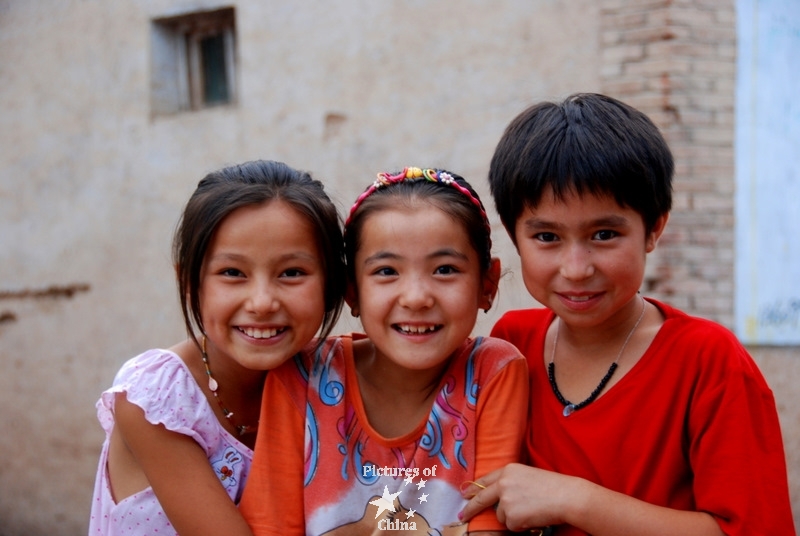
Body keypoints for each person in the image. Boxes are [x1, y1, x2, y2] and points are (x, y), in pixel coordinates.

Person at [458, 93, 796, 535]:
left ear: (654, 229)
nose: (576, 269)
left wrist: (576, 500)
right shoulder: (511, 343)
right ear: (513, 235)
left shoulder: (708, 361)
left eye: (604, 234)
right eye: (546, 236)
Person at [240, 167, 529, 535]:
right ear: (352, 292)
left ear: (487, 285)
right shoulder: (303, 375)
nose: (416, 298)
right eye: (387, 271)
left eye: (444, 269)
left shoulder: (492, 372)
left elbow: (488, 527)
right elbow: (271, 527)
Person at [88, 160, 346, 536]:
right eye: (232, 273)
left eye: (291, 272)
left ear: (332, 283)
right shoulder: (158, 401)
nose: (262, 303)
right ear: (191, 281)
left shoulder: (334, 380)